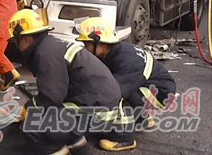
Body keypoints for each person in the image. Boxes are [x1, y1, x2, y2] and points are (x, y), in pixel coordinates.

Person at [8, 9, 137, 154]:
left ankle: (59, 149)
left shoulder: (44, 53)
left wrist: (29, 107)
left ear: (25, 38)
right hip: (100, 101)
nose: (16, 46)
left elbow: (52, 96)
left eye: (15, 40)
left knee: (32, 127)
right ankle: (78, 147)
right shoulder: (50, 45)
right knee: (53, 114)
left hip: (96, 107)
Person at [76, 17, 177, 131]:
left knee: (116, 94)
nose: (84, 48)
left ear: (98, 42)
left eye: (86, 44)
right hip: (147, 84)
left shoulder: (127, 61)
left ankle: (125, 134)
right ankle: (143, 118)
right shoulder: (112, 51)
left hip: (161, 92)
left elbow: (113, 93)